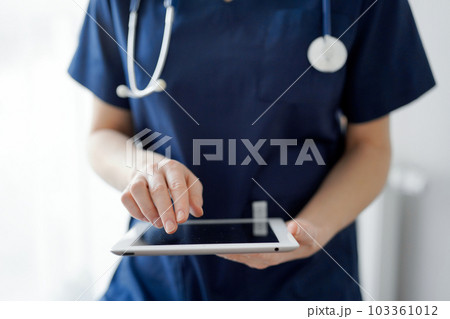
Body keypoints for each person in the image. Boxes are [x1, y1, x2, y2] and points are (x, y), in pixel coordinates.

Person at [69, 0, 435, 300]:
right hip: (157, 283)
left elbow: (369, 147)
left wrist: (313, 229)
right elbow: (104, 133)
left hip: (304, 283)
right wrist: (141, 169)